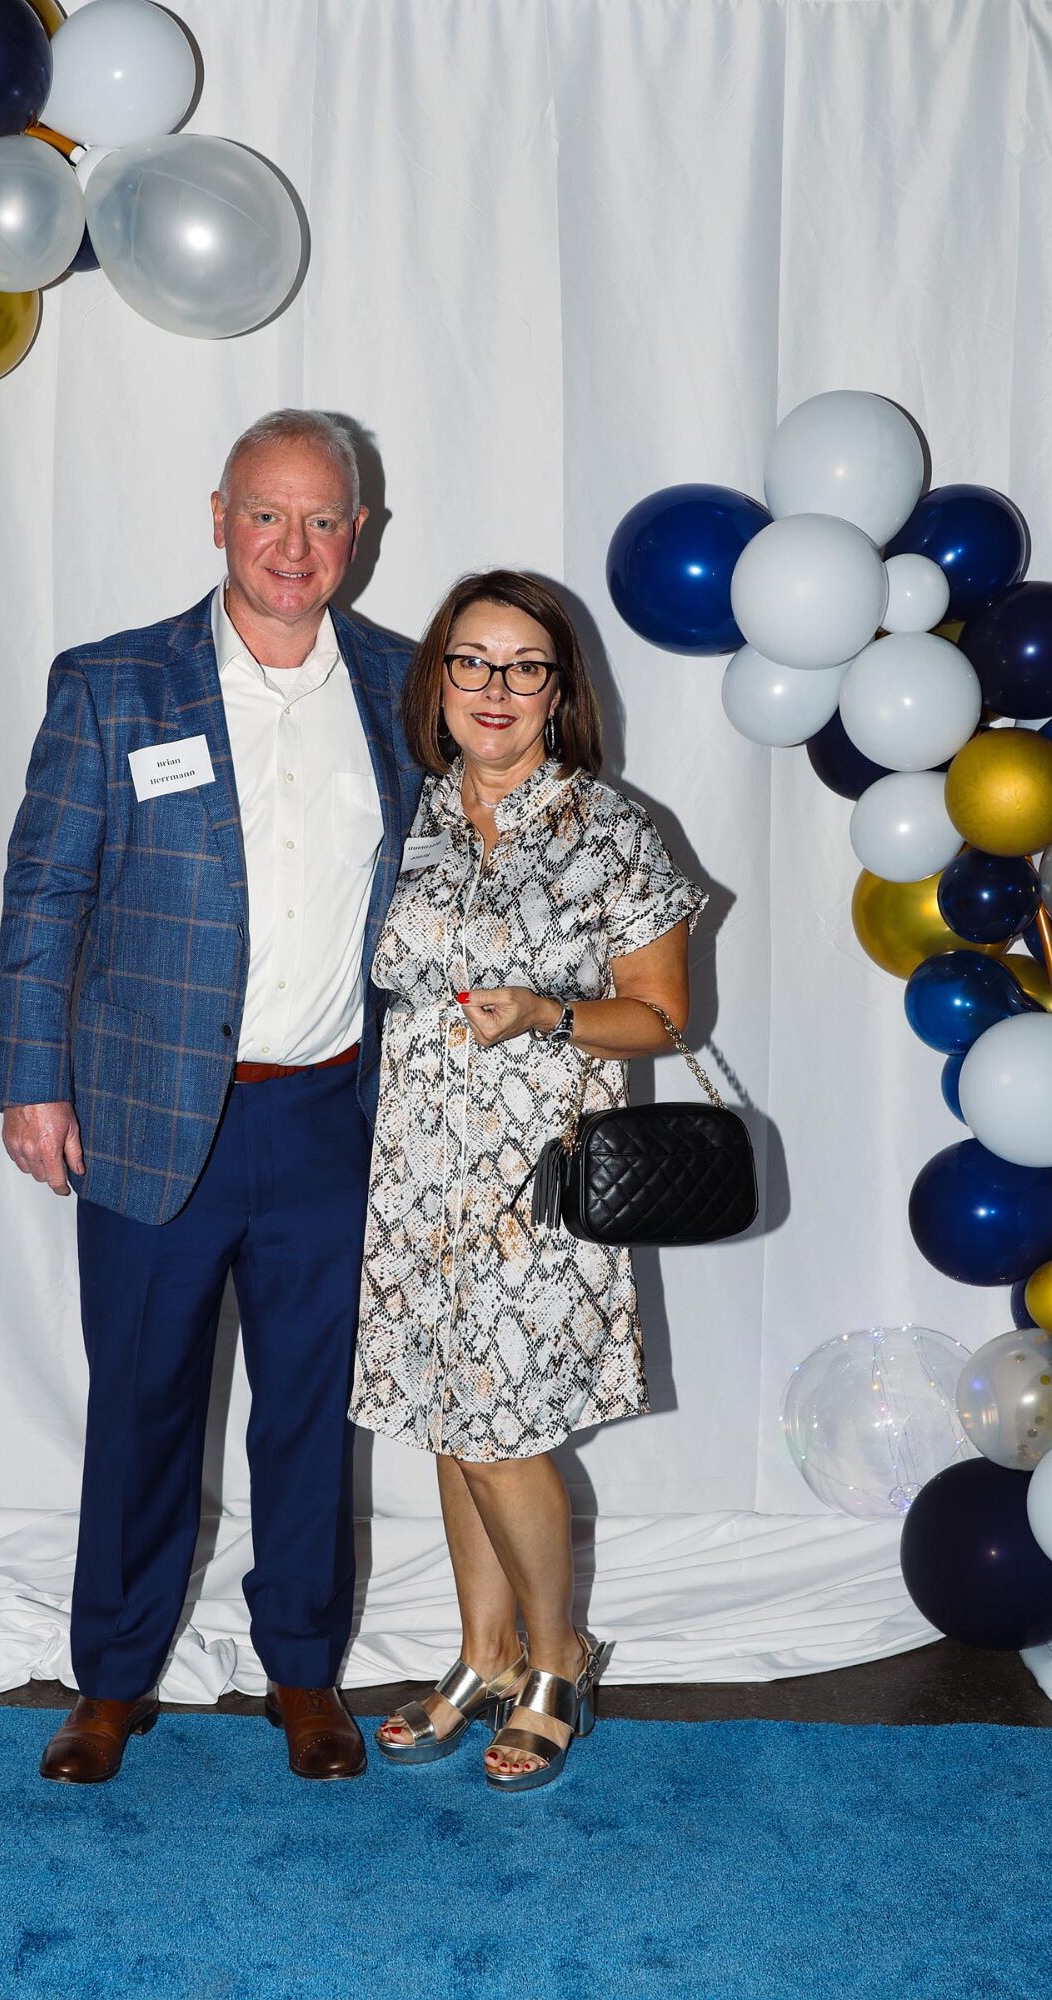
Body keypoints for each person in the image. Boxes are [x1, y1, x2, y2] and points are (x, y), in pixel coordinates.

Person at [0, 410, 422, 1784]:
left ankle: (303, 1672)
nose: (293, 545)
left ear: (356, 533)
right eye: (267, 514)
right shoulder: (115, 684)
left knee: (310, 1414)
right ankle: (112, 1681)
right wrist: (33, 1081)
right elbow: (46, 893)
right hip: (146, 1114)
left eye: (321, 519)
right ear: (220, 518)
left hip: (330, 1120)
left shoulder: (405, 688)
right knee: (142, 1409)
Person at [350, 569, 706, 1791]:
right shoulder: (406, 812)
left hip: (537, 1186)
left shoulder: (611, 828)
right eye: (471, 661)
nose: (494, 688)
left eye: (524, 666)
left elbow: (665, 1014)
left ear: (560, 691)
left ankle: (557, 1658)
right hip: (413, 1175)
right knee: (449, 1423)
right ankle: (482, 1651)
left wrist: (548, 1010)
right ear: (436, 680)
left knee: (502, 1433)